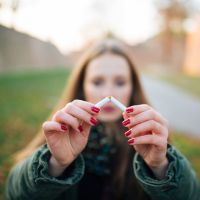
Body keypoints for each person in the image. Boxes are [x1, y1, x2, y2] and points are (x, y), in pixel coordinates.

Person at [6, 37, 200, 200]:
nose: (108, 94)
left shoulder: (148, 136)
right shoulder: (63, 132)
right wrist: (55, 163)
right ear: (83, 86)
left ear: (132, 87)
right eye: (98, 82)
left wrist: (160, 166)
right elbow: (14, 193)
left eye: (120, 82)